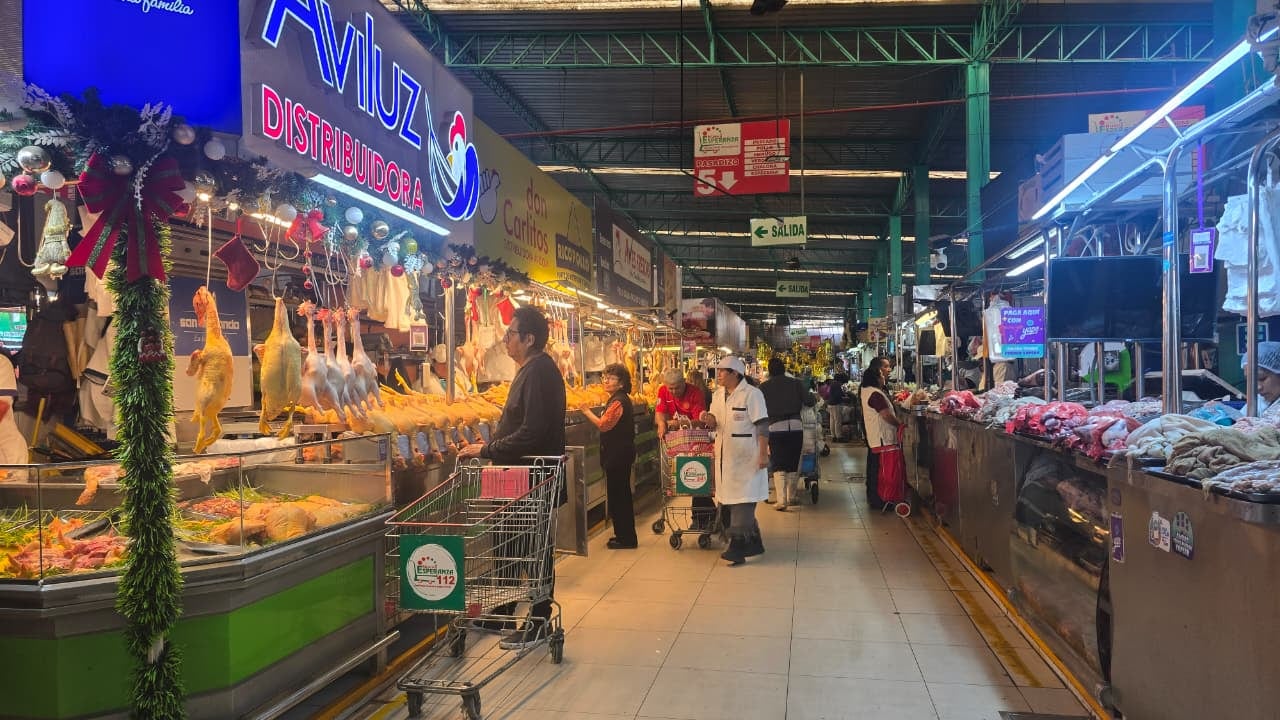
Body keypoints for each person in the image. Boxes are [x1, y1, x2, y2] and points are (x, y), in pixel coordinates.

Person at [458, 306, 566, 649]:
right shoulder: (530, 369)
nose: (505, 339)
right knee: (507, 543)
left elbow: (533, 431)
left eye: (511, 333)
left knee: (533, 549)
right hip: (513, 475)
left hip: (530, 476)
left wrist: (488, 450)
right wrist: (491, 449)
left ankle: (538, 620)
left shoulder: (538, 371)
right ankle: (503, 608)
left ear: (529, 339)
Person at [700, 356, 770, 566]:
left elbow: (763, 425)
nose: (718, 375)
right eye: (717, 371)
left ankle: (737, 546)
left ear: (735, 373)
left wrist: (764, 454)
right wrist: (708, 419)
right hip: (725, 458)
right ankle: (754, 541)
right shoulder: (718, 395)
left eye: (722, 371)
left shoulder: (752, 394)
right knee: (730, 501)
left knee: (743, 502)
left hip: (747, 458)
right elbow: (716, 421)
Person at [581, 363, 637, 549]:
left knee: (619, 497)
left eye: (611, 378)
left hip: (618, 457)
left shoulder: (618, 401)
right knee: (620, 496)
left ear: (621, 383)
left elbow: (604, 425)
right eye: (605, 377)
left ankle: (626, 538)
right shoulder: (617, 399)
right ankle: (623, 535)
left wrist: (586, 411)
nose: (606, 381)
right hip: (619, 456)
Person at [655, 367, 715, 528]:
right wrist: (661, 423)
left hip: (695, 441)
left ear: (684, 382)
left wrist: (680, 423)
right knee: (688, 479)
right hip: (675, 442)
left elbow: (700, 420)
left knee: (697, 476)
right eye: (671, 388)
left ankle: (702, 518)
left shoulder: (696, 393)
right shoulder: (662, 391)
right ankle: (706, 516)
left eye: (677, 387)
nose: (674, 391)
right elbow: (660, 412)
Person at [759, 357, 814, 509]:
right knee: (792, 461)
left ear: (770, 371)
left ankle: (782, 500)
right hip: (796, 426)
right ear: (784, 369)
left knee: (778, 462)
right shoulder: (796, 383)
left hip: (776, 427)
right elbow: (809, 401)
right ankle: (792, 496)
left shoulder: (764, 387)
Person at [860, 357, 903, 510]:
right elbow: (885, 415)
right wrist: (899, 424)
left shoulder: (869, 391)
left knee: (874, 469)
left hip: (876, 438)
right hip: (881, 438)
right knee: (881, 471)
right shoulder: (875, 394)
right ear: (876, 378)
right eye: (882, 375)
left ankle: (876, 498)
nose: (884, 377)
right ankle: (881, 499)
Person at [1243, 341, 1280, 416]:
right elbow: (1240, 420)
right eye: (1250, 381)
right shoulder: (1260, 400)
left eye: (1262, 378)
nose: (1258, 387)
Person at [827, 370, 851, 442]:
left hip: (830, 404)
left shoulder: (833, 383)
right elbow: (838, 395)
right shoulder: (837, 384)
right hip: (835, 404)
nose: (843, 383)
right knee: (838, 420)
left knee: (832, 420)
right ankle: (839, 437)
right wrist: (844, 397)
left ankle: (833, 436)